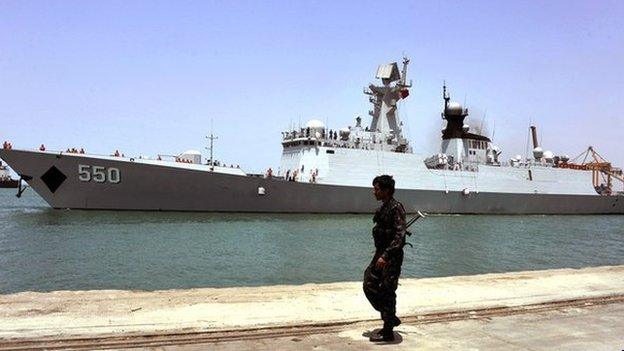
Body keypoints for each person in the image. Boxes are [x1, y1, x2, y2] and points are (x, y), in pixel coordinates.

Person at [363, 175, 406, 342]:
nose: (374, 191)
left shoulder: (396, 208)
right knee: (369, 283)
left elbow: (399, 235)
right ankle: (390, 317)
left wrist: (386, 255)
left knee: (388, 290)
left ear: (386, 190)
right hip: (380, 254)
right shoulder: (383, 208)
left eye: (377, 189)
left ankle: (388, 330)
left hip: (391, 257)